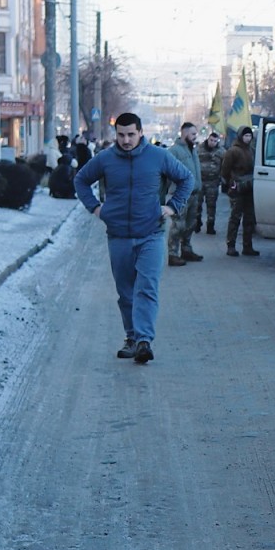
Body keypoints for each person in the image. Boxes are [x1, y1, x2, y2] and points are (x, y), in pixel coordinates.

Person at [74, 111, 190, 363]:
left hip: (151, 233)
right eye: (121, 135)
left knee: (146, 288)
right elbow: (81, 180)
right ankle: (131, 338)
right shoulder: (105, 159)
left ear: (140, 132)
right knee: (126, 292)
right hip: (118, 236)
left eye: (131, 135)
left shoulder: (158, 157)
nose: (126, 140)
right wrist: (95, 207)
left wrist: (172, 206)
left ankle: (144, 341)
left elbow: (186, 179)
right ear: (116, 134)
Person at [220, 123, 260, 257]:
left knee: (249, 218)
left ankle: (247, 246)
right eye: (246, 135)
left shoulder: (251, 150)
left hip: (250, 187)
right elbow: (225, 169)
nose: (248, 138)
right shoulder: (233, 151)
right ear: (240, 136)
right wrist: (229, 183)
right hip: (237, 187)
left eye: (249, 135)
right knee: (235, 217)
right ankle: (230, 245)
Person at [166, 121, 203, 265]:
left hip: (194, 194)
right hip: (180, 196)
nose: (195, 137)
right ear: (184, 133)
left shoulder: (192, 149)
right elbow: (166, 174)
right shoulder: (173, 151)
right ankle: (173, 254)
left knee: (190, 224)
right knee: (178, 225)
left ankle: (186, 250)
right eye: (193, 134)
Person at [196, 130, 224, 234]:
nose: (212, 142)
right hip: (200, 181)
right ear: (208, 139)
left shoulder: (221, 152)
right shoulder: (199, 149)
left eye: (215, 141)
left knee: (211, 205)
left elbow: (225, 165)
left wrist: (222, 178)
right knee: (197, 204)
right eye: (211, 140)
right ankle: (197, 222)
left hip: (213, 182)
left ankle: (210, 225)